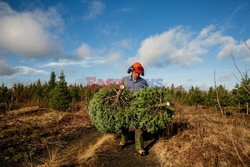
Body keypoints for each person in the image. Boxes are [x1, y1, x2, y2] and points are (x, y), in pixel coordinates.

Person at [119, 62, 148, 156]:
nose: (137, 75)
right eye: (136, 73)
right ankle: (123, 141)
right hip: (126, 105)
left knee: (139, 126)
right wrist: (120, 90)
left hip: (138, 107)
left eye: (139, 73)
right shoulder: (125, 80)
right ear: (131, 71)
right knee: (124, 124)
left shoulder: (143, 82)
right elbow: (120, 92)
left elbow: (147, 94)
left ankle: (140, 148)